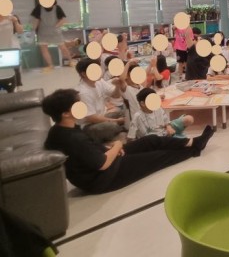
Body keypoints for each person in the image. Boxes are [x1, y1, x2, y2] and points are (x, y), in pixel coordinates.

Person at [42, 88, 213, 194]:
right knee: (157, 157)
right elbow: (102, 164)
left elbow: (87, 152)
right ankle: (194, 149)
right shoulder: (73, 138)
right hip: (104, 178)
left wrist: (109, 148)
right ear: (65, 113)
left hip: (101, 166)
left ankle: (191, 142)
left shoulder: (59, 130)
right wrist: (117, 145)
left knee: (150, 140)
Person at [75, 58, 126, 143]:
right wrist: (117, 121)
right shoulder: (83, 92)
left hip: (101, 116)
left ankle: (120, 128)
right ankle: (121, 129)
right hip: (88, 125)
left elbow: (115, 95)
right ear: (83, 74)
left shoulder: (99, 81)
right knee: (112, 126)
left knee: (123, 111)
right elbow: (92, 118)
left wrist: (117, 85)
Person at [127, 88, 194, 140]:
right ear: (142, 103)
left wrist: (169, 127)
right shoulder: (137, 117)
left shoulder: (158, 108)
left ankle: (179, 136)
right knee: (182, 142)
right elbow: (130, 137)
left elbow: (166, 121)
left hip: (165, 131)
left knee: (189, 119)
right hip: (156, 139)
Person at [30, 1, 73, 71]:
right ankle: (50, 65)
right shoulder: (39, 8)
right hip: (43, 32)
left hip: (55, 32)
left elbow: (63, 20)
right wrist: (33, 30)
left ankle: (71, 61)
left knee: (63, 47)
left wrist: (56, 26)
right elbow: (36, 20)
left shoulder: (57, 8)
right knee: (44, 49)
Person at [0, 2, 23, 93]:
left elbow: (20, 31)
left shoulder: (12, 18)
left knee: (15, 68)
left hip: (12, 46)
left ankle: (17, 86)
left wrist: (15, 21)